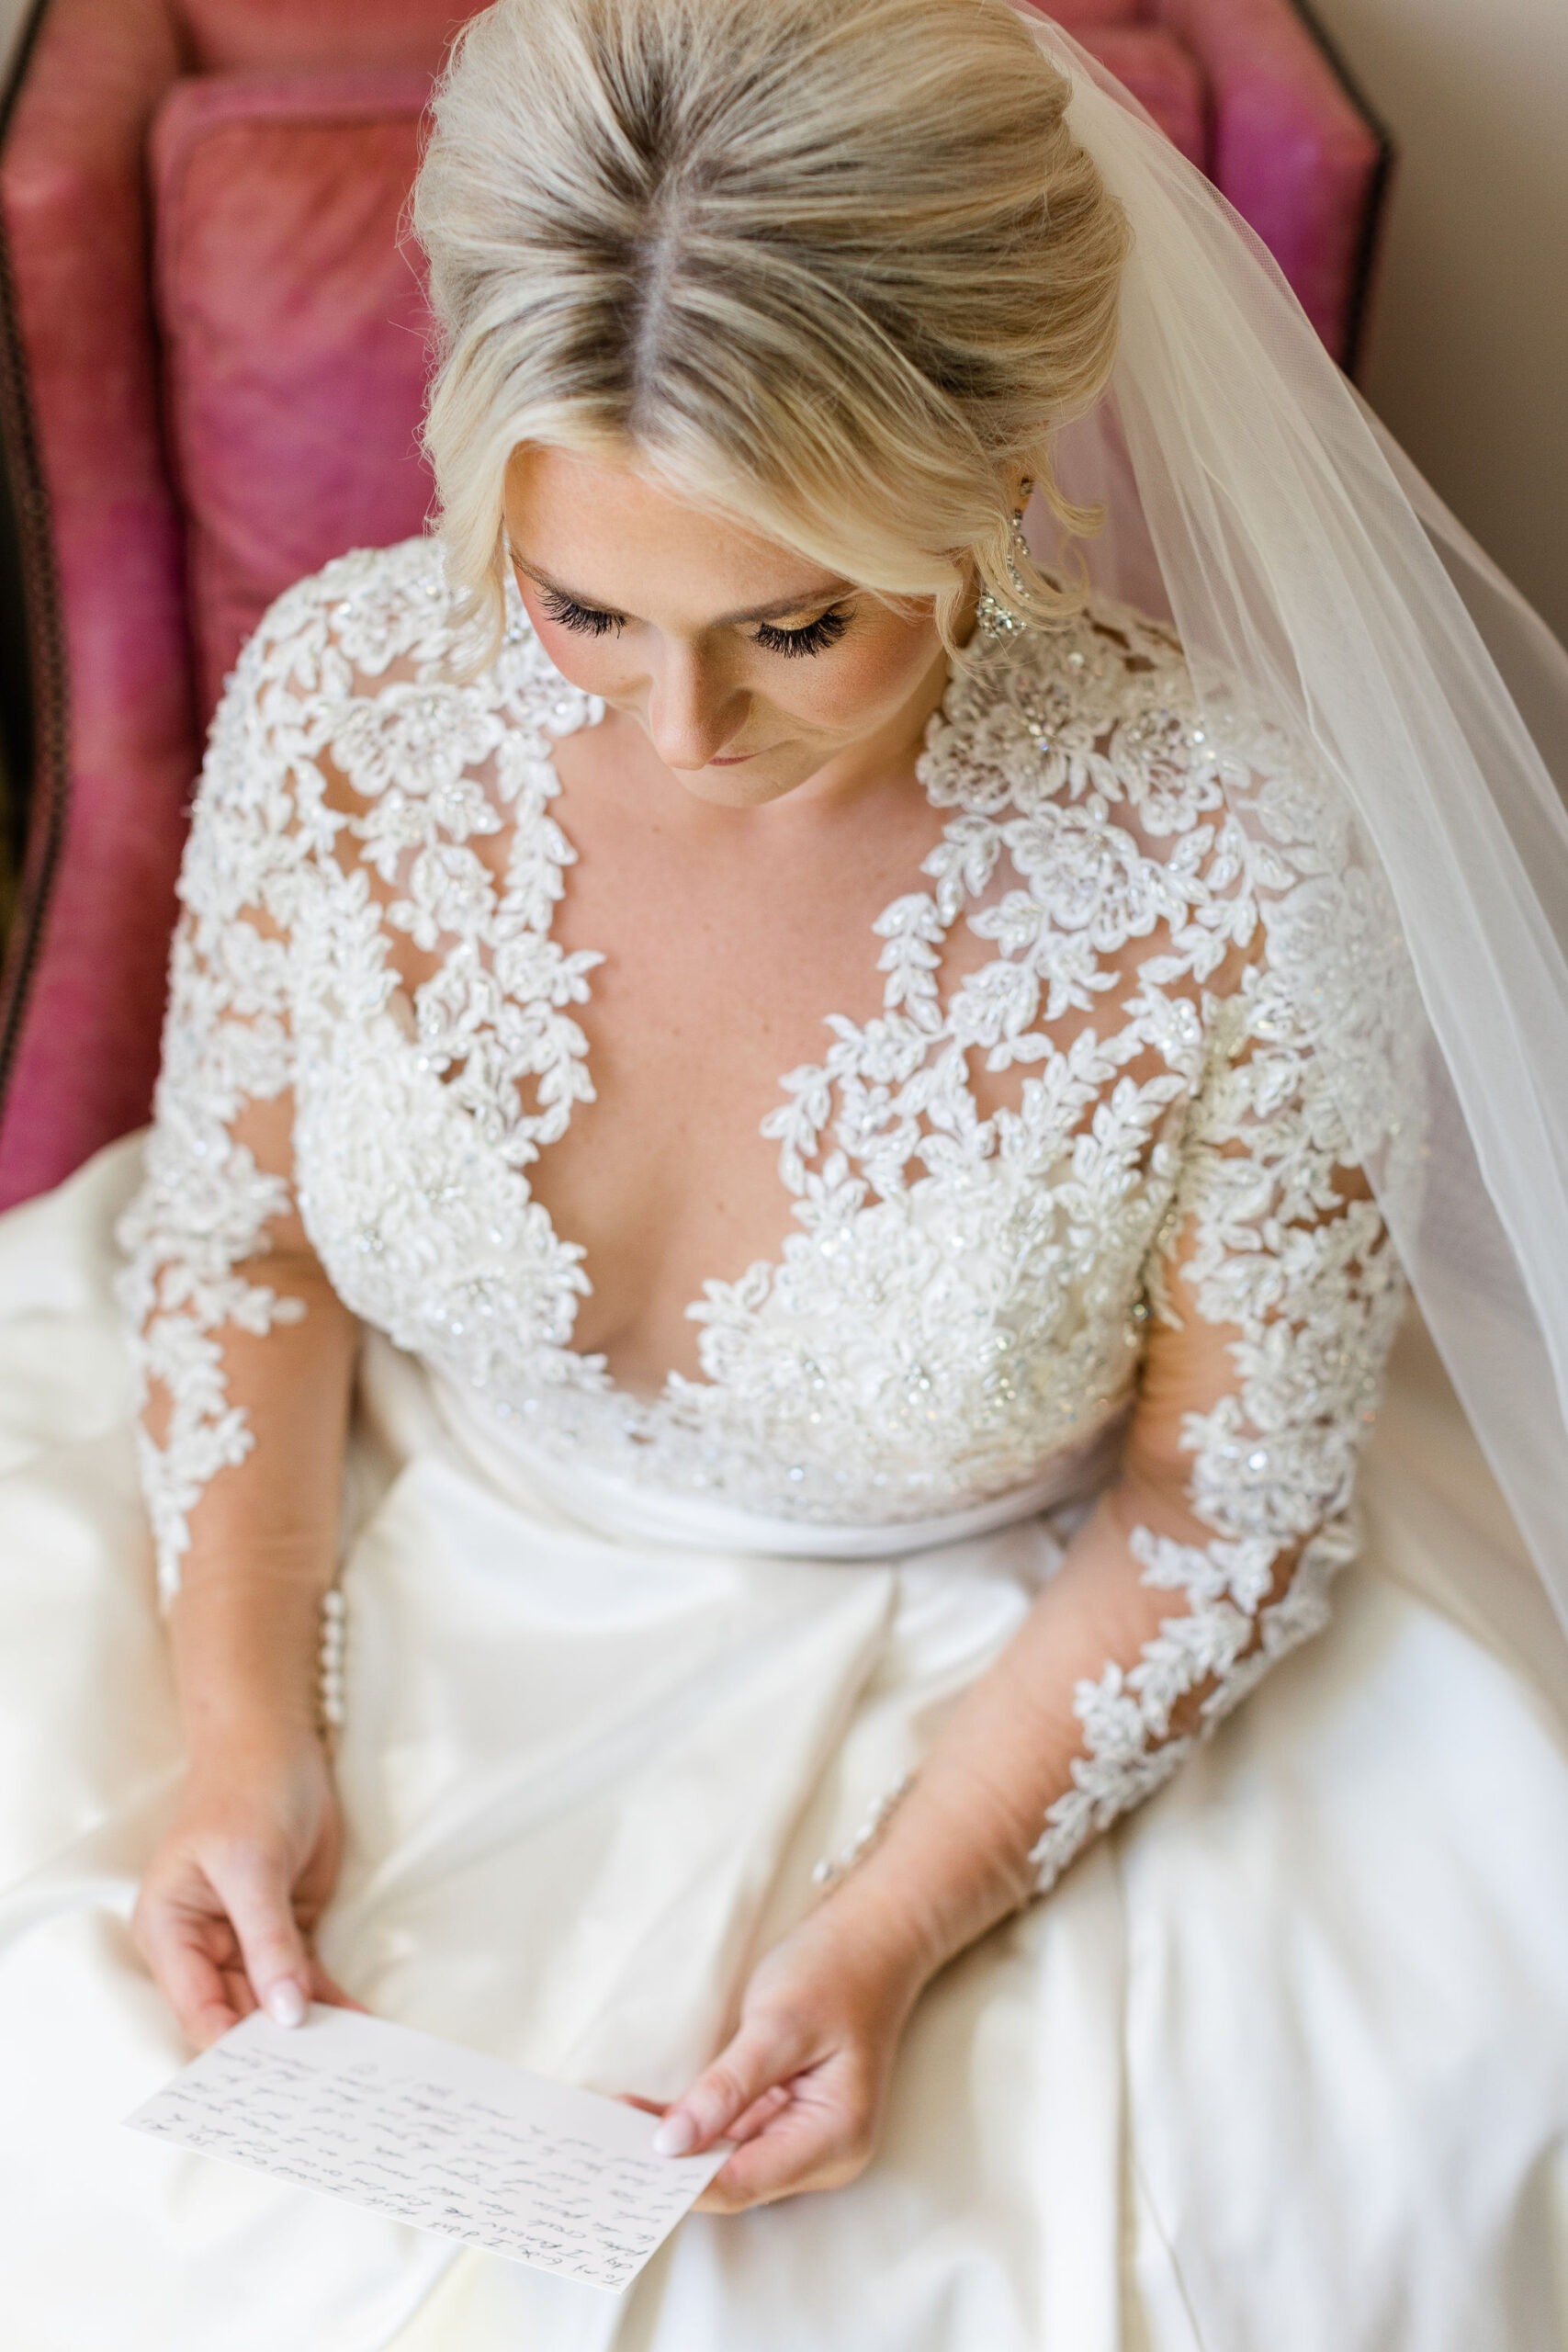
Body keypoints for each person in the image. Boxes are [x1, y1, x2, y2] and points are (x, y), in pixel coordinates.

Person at [2, 0, 1567, 2343]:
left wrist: (885, 1923)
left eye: (794, 623)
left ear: (988, 483)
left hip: (986, 1644)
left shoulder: (1229, 860)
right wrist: (240, 1725)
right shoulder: (346, 700)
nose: (674, 726)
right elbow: (247, 1245)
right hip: (377, 1521)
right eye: (579, 605)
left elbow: (1215, 1503)